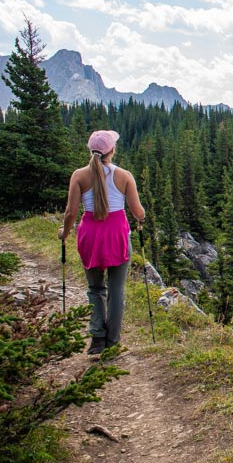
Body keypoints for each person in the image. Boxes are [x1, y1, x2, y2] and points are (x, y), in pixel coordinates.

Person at [58, 130, 145, 354]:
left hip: (90, 236)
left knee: (95, 288)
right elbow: (138, 212)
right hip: (117, 235)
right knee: (117, 290)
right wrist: (141, 217)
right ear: (112, 150)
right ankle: (113, 341)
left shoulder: (79, 175)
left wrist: (65, 232)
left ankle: (97, 337)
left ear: (91, 150)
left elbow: (71, 212)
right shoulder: (124, 176)